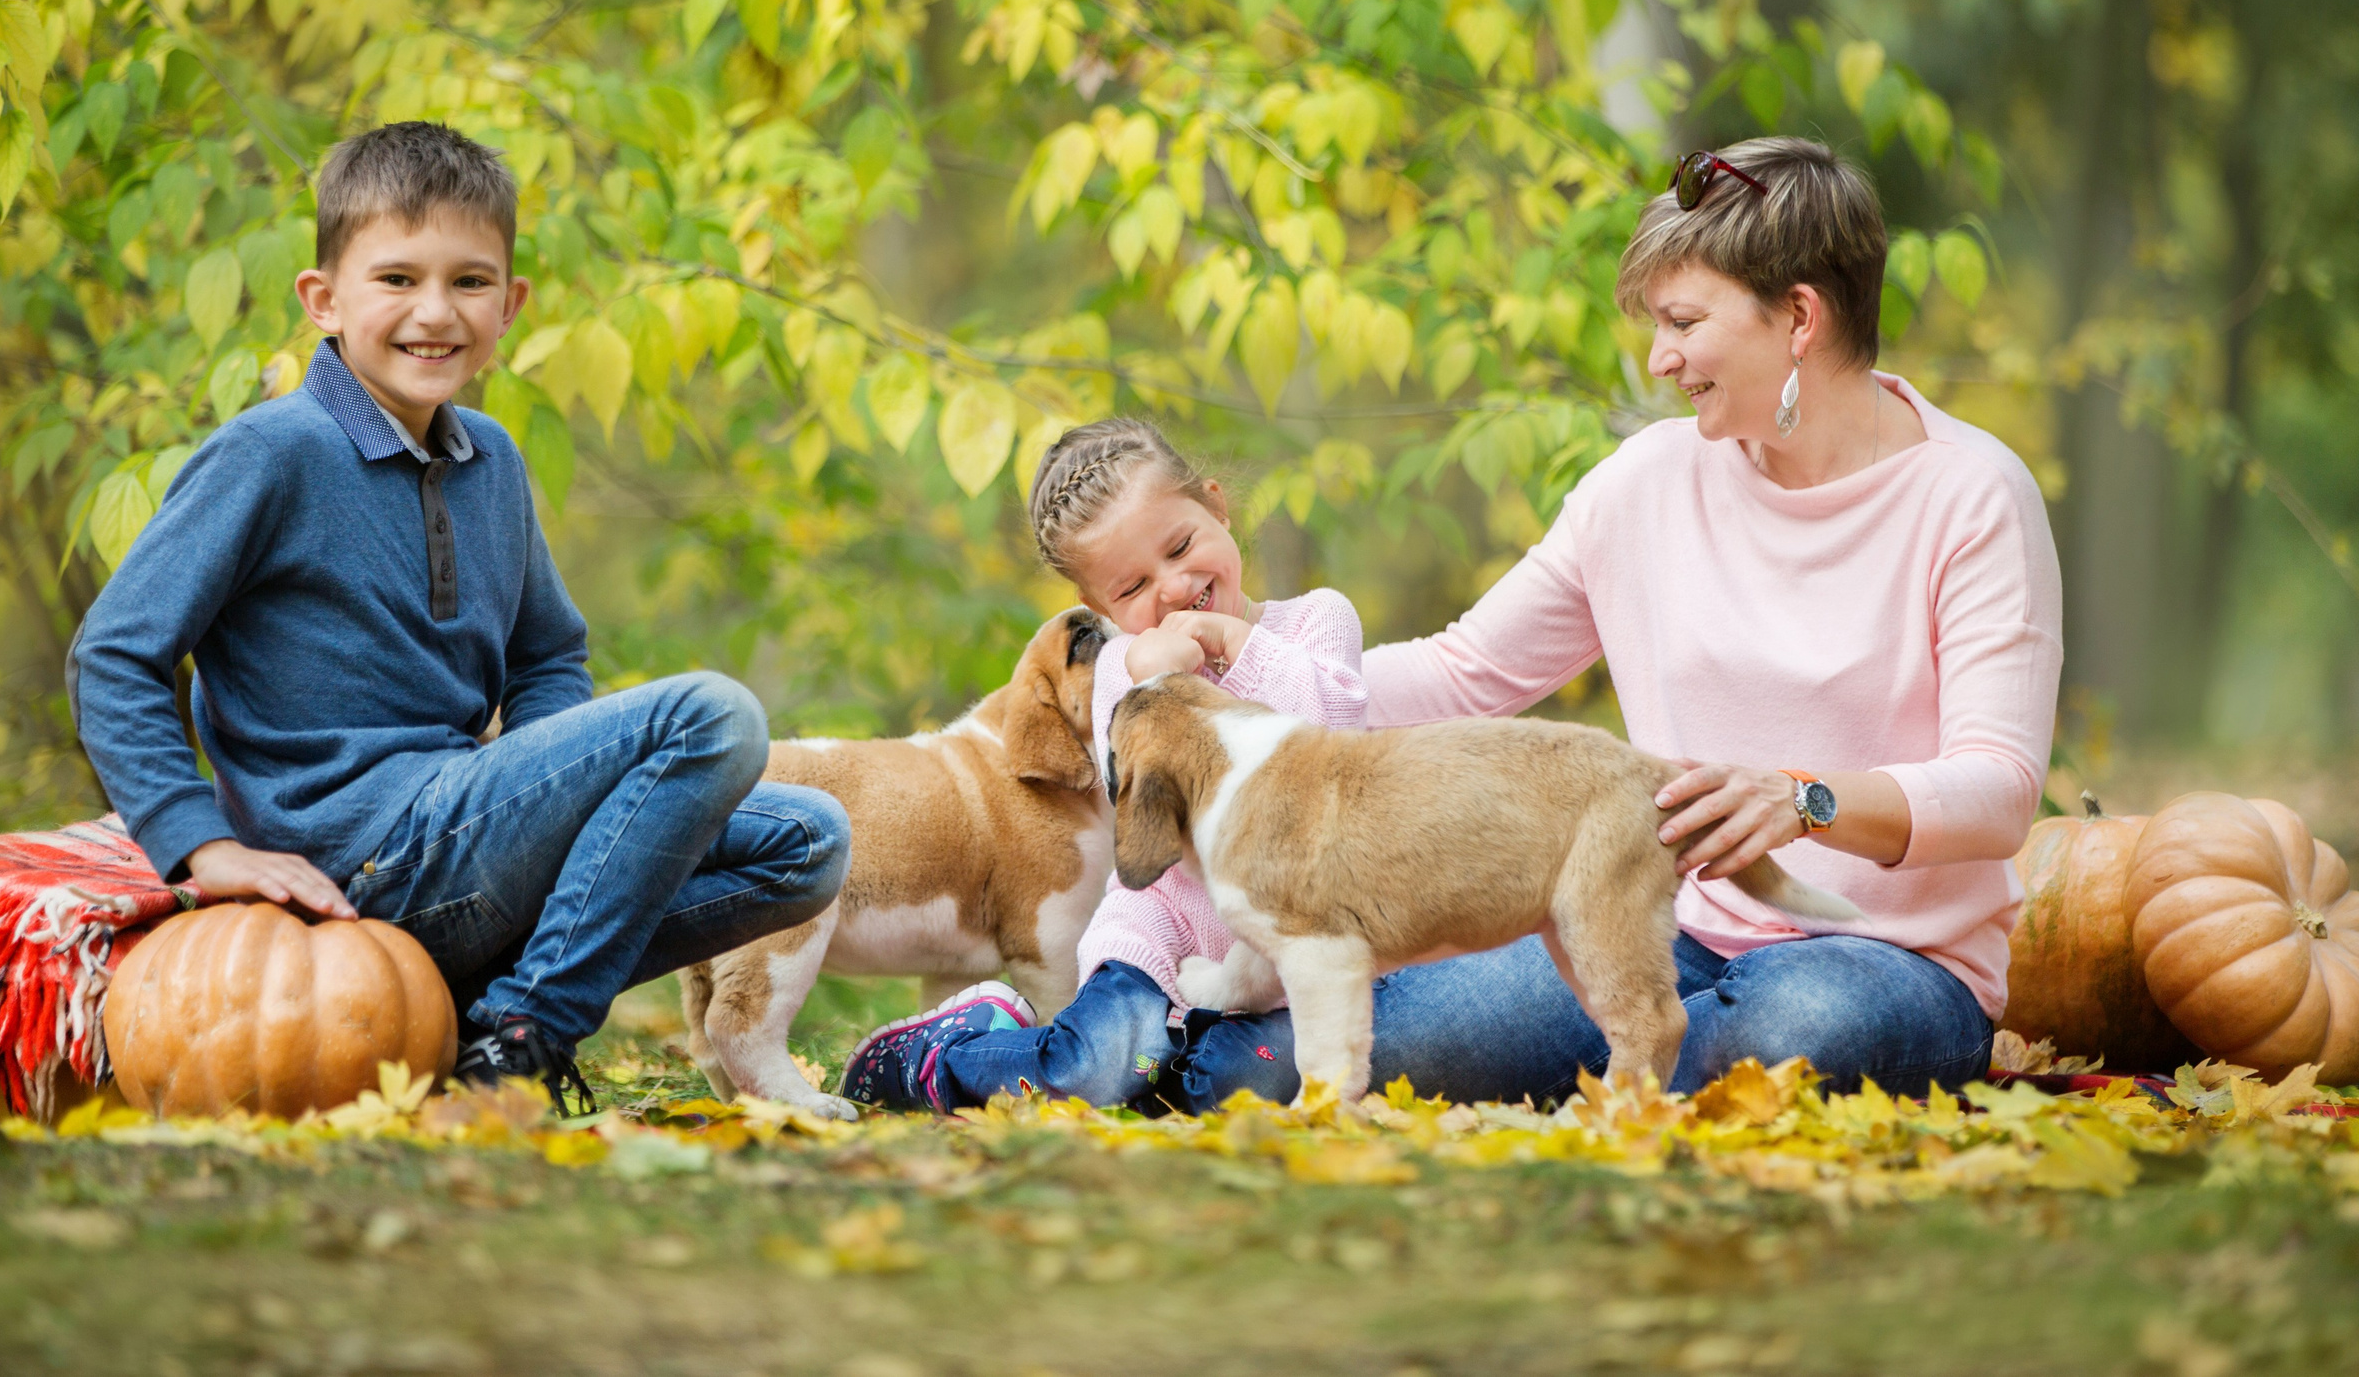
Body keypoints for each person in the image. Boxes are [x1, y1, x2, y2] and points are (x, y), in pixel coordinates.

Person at [68, 121, 850, 1115]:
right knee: (713, 716)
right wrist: (201, 845)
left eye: (469, 283)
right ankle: (520, 1045)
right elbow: (116, 654)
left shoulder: (493, 459)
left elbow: (546, 657)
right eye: (396, 280)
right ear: (324, 301)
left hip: (462, 825)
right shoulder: (273, 453)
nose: (434, 313)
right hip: (349, 850)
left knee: (809, 838)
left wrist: (566, 809)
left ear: (511, 304)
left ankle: (483, 1007)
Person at [1304, 135, 2061, 1102]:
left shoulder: (1974, 495)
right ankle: (1624, 1058)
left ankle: (1617, 1064)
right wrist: (1263, 660)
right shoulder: (1646, 482)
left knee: (1791, 1038)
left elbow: (2000, 792)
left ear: (1798, 316)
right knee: (1390, 1037)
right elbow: (1465, 672)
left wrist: (1803, 797)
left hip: (1891, 966)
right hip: (1653, 929)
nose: (1660, 359)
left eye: (1684, 322)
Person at [835, 419, 1370, 1113]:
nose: (1175, 590)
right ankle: (940, 1056)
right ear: (1098, 607)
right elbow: (1147, 792)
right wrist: (1156, 674)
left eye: (1181, 546)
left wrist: (1236, 645)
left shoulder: (1316, 622)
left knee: (1236, 1086)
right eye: (1133, 586)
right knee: (1098, 1070)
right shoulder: (1124, 668)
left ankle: (1176, 1066)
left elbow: (1331, 741)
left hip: (1286, 953)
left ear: (1217, 506)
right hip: (1161, 939)